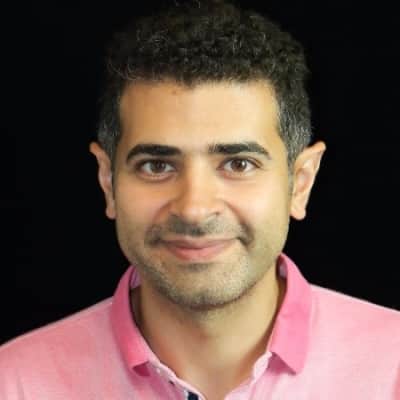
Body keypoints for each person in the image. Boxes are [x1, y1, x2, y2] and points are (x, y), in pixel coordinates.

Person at [1, 0, 399, 399]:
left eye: (238, 164)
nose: (193, 208)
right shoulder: (14, 383)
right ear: (108, 181)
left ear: (300, 183)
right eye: (157, 166)